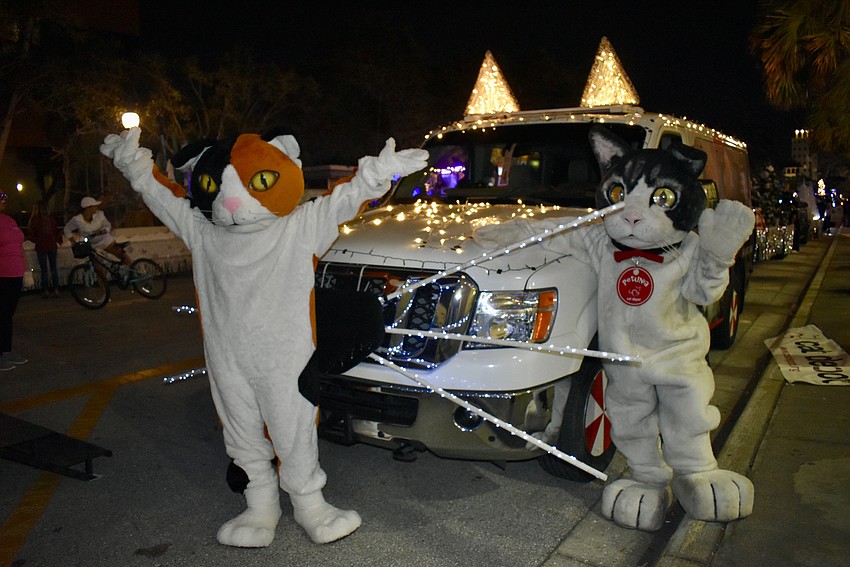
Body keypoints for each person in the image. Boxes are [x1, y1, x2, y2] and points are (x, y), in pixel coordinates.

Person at [0, 192, 28, 371]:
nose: (3, 200)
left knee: (7, 315)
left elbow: (20, 247)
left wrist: (27, 271)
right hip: (2, 275)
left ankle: (7, 350)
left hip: (15, 274)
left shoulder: (9, 220)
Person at [63, 196, 131, 267]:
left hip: (105, 240)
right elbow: (67, 229)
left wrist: (103, 231)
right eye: (94, 206)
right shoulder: (77, 220)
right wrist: (73, 242)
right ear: (87, 208)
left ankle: (134, 270)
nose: (96, 208)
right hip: (92, 245)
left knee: (120, 254)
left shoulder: (99, 215)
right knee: (99, 267)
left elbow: (108, 225)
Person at [28, 200, 62, 297]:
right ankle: (56, 289)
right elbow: (56, 231)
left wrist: (37, 240)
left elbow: (32, 235)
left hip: (41, 246)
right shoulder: (51, 218)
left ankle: (46, 290)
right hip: (52, 245)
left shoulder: (35, 219)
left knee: (44, 270)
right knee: (54, 268)